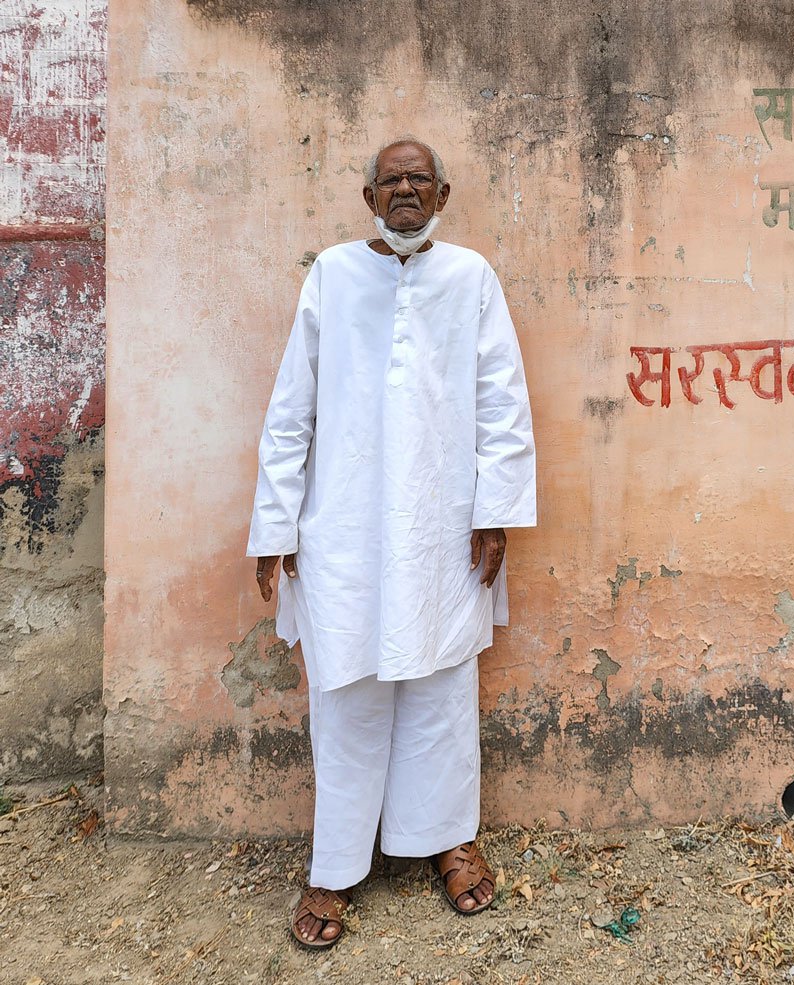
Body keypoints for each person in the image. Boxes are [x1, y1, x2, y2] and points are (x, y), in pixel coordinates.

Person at [246, 137, 536, 950]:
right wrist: (274, 526)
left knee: (442, 687)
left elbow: (503, 402)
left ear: (442, 194)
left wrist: (496, 509)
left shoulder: (471, 277)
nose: (405, 189)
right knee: (345, 691)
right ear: (368, 196)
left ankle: (448, 838)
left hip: (442, 521)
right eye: (390, 180)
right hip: (341, 525)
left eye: (419, 179)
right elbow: (290, 408)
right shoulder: (332, 276)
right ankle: (333, 867)